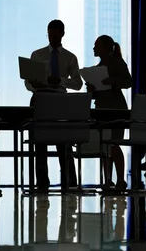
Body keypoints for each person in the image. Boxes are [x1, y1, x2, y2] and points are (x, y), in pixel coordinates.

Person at [25, 19, 83, 191]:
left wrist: (60, 81)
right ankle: (42, 182)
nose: (52, 37)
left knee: (64, 143)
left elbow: (78, 83)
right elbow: (28, 82)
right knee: (40, 143)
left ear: (62, 34)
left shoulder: (70, 57)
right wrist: (34, 85)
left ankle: (69, 181)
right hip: (40, 98)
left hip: (59, 100)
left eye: (55, 34)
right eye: (50, 34)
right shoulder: (37, 55)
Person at [86, 35, 132, 191]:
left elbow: (128, 81)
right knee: (105, 145)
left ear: (105, 48)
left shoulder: (116, 62)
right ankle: (108, 180)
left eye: (96, 45)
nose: (93, 48)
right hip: (102, 109)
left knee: (113, 144)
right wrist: (91, 90)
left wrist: (113, 81)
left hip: (115, 109)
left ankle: (119, 179)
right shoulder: (98, 68)